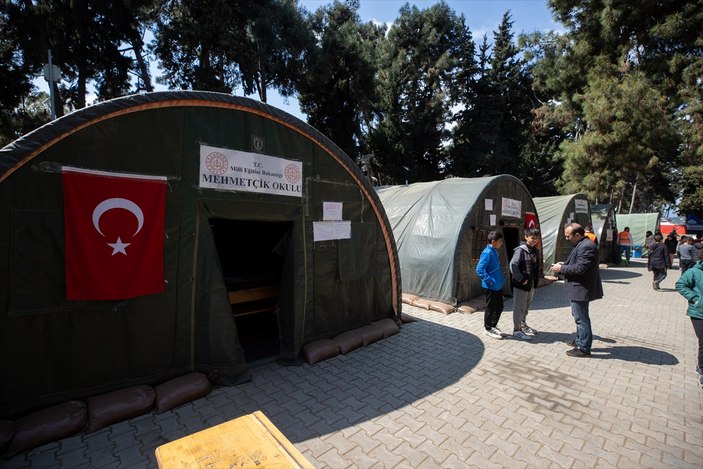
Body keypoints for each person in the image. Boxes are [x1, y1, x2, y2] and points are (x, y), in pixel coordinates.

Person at [551, 223, 604, 357]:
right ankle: (580, 340)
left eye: (568, 236)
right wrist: (565, 264)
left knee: (581, 319)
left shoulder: (587, 247)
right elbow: (578, 264)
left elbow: (580, 268)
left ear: (577, 235)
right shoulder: (582, 244)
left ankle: (584, 348)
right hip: (579, 288)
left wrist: (561, 269)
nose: (567, 239)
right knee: (578, 316)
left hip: (581, 288)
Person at [675, 248, 703, 389]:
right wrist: (696, 298)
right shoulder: (695, 272)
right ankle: (702, 368)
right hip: (699, 313)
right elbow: (680, 285)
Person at [509, 228, 541, 341]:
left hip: (531, 284)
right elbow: (513, 265)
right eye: (532, 238)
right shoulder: (521, 250)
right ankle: (516, 330)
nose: (534, 240)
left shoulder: (535, 250)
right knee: (519, 307)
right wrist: (521, 279)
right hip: (521, 284)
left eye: (536, 238)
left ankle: (523, 325)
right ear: (526, 237)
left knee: (526, 306)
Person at [476, 231, 506, 340]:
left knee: (500, 307)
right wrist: (490, 280)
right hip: (491, 286)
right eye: (500, 241)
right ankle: (487, 329)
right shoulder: (487, 253)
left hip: (497, 285)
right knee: (490, 308)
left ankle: (493, 326)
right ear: (493, 242)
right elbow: (479, 269)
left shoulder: (495, 251)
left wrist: (500, 279)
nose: (501, 243)